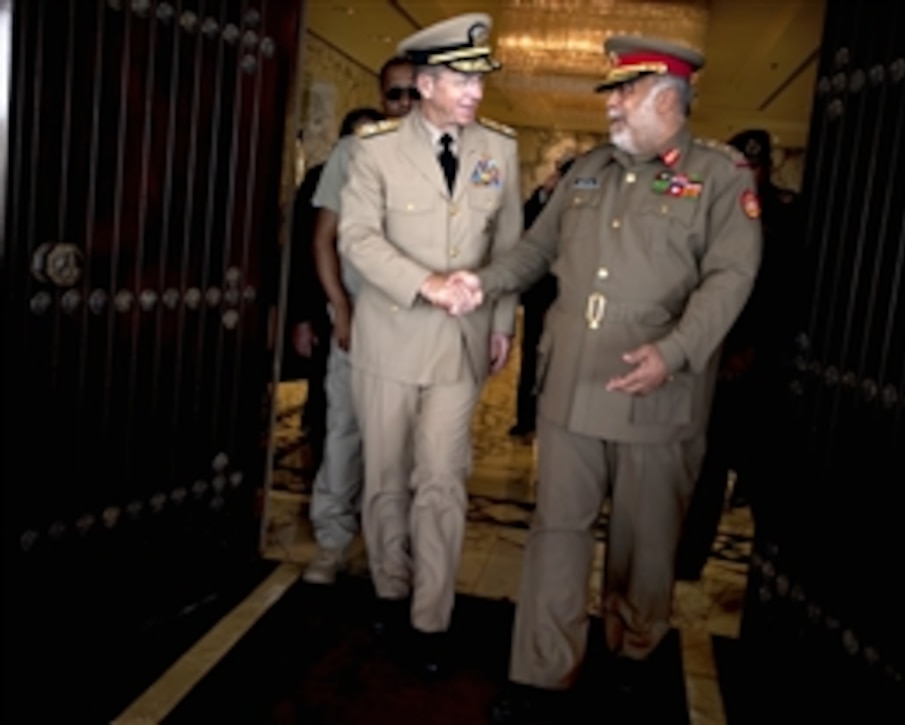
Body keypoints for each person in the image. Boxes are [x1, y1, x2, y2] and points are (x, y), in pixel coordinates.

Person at [438, 36, 763, 721]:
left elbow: (730, 277)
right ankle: (540, 672)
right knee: (557, 532)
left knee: (644, 544)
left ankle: (632, 653)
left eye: (625, 90)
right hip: (573, 383)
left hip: (659, 389)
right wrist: (481, 281)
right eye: (611, 91)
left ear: (668, 97)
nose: (610, 103)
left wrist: (674, 353)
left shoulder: (721, 174)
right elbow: (534, 250)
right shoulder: (588, 171)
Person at [337, 13, 522, 676]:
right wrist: (427, 282)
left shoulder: (499, 149)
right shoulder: (375, 149)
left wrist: (502, 320)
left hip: (459, 345)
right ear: (424, 83)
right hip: (389, 338)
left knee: (443, 479)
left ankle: (430, 616)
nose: (474, 92)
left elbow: (510, 245)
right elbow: (356, 238)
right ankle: (390, 586)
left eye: (478, 80)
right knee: (386, 476)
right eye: (460, 79)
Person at [301, 56, 420, 586]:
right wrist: (340, 310)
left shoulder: (451, 158)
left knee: (403, 448)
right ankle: (331, 542)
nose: (404, 106)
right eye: (395, 95)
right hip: (358, 320)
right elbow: (322, 240)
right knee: (342, 434)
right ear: (383, 96)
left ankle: (389, 553)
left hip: (417, 329)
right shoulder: (352, 153)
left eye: (415, 95)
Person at [673, 128, 806, 582]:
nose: (749, 174)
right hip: (712, 358)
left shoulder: (787, 215)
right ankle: (688, 561)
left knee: (765, 476)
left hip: (763, 368)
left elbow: (788, 291)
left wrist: (754, 347)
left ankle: (776, 574)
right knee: (705, 468)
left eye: (756, 166)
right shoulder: (707, 209)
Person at [508, 154, 575, 439]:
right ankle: (527, 419)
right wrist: (545, 192)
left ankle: (557, 419)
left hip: (571, 298)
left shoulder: (589, 206)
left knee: (565, 364)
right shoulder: (544, 201)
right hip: (540, 295)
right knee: (532, 359)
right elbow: (523, 224)